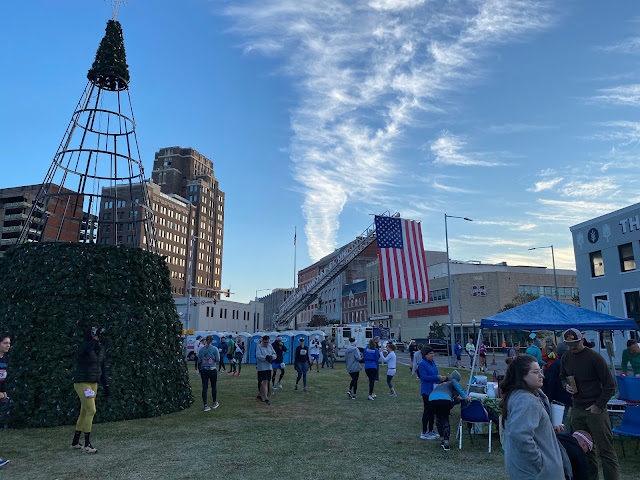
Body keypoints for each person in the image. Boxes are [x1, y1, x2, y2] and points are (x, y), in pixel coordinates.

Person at [560, 328, 618, 480]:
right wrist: (565, 385)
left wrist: (598, 405)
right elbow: (562, 376)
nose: (572, 347)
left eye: (574, 343)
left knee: (605, 451)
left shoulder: (594, 358)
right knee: (583, 451)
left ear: (581, 340)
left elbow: (610, 385)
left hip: (595, 411)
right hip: (577, 409)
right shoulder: (566, 357)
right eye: (568, 344)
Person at [501, 355, 572, 480]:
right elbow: (519, 435)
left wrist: (548, 431)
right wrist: (540, 462)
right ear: (522, 375)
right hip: (536, 473)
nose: (541, 375)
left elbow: (527, 429)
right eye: (535, 372)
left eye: (540, 371)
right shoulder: (526, 400)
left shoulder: (523, 396)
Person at [71, 326, 110, 454]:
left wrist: (106, 386)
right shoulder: (85, 347)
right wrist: (93, 339)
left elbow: (102, 369)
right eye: (93, 332)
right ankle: (87, 444)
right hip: (83, 382)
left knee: (84, 412)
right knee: (91, 410)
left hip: (93, 383)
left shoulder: (101, 349)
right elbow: (85, 351)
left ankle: (75, 442)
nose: (95, 334)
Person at [429, 370, 469, 451]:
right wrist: (464, 396)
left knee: (438, 419)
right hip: (444, 400)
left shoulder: (442, 384)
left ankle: (442, 439)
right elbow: (454, 387)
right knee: (445, 420)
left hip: (432, 400)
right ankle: (446, 443)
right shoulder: (453, 382)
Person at [419, 346, 447, 440]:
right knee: (427, 411)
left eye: (433, 353)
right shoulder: (422, 364)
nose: (432, 355)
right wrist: (437, 377)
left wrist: (440, 379)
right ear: (425, 355)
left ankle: (431, 430)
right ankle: (424, 432)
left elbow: (434, 373)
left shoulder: (432, 362)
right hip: (426, 390)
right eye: (430, 353)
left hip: (434, 389)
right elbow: (424, 377)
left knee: (432, 412)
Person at [543, 342, 572, 431]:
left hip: (559, 396)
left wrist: (549, 397)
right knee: (573, 419)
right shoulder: (572, 364)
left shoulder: (555, 365)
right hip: (572, 394)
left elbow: (550, 382)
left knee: (560, 420)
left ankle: (563, 437)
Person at [198, 335, 220, 411]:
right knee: (213, 386)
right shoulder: (215, 349)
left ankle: (205, 405)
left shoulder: (201, 350)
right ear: (212, 341)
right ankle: (214, 402)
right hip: (212, 369)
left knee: (204, 387)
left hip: (204, 370)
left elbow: (199, 360)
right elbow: (218, 359)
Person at [255, 335, 276, 404]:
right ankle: (266, 398)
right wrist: (265, 357)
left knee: (267, 381)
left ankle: (259, 396)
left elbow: (274, 354)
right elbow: (258, 355)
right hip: (262, 367)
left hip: (268, 367)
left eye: (267, 342)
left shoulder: (270, 346)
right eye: (265, 342)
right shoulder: (259, 346)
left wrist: (271, 357)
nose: (266, 344)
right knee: (265, 381)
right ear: (263, 341)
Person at [0, 333, 11, 468]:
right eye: (5, 343)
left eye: (9, 343)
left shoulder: (5, 358)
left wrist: (3, 391)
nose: (8, 345)